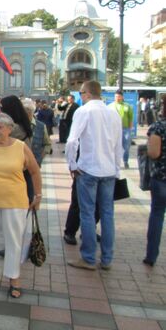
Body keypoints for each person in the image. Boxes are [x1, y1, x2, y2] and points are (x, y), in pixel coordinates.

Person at [0, 113, 42, 299]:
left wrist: (38, 195)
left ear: (9, 129)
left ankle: (14, 277)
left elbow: (35, 171)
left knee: (13, 239)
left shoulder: (20, 147)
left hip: (15, 201)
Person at [66, 80, 122, 271]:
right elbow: (118, 144)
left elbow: (72, 140)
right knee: (107, 214)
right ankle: (106, 258)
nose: (80, 96)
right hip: (108, 171)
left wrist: (72, 164)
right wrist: (117, 169)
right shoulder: (113, 113)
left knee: (88, 213)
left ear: (87, 93)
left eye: (81, 93)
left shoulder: (84, 111)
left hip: (88, 169)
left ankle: (89, 258)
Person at [144, 95, 166, 267]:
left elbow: (154, 153)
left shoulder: (158, 127)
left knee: (157, 215)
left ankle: (151, 255)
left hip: (161, 178)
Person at [21, 98, 51, 167]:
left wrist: (40, 157)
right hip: (19, 165)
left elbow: (47, 144)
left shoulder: (41, 126)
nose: (26, 114)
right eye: (24, 112)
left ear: (32, 112)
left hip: (35, 164)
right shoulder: (17, 126)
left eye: (29, 111)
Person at [108, 90, 133, 169]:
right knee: (113, 145)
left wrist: (130, 129)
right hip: (114, 129)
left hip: (125, 129)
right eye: (116, 96)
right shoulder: (110, 106)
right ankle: (113, 161)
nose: (117, 98)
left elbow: (131, 118)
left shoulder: (127, 106)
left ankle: (125, 161)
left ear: (122, 97)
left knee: (126, 146)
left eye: (119, 96)